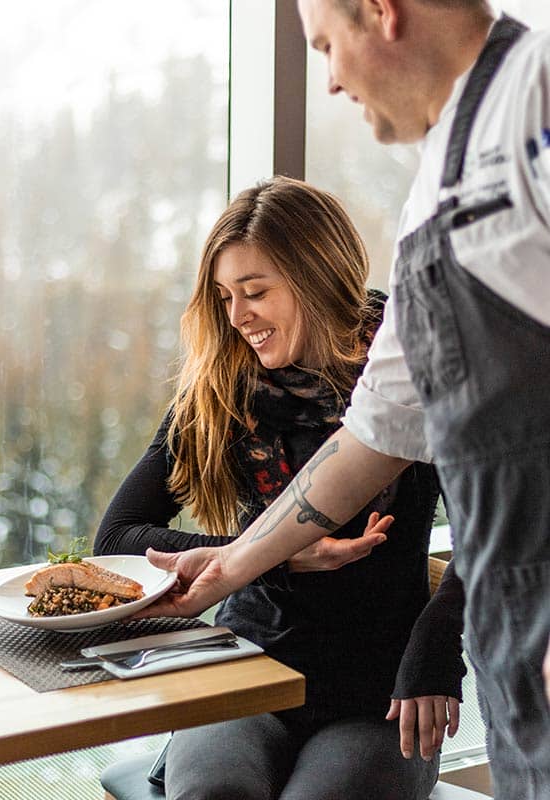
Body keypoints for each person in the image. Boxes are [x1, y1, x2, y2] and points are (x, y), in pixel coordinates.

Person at [139, 3, 550, 799]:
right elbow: (374, 436)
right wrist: (228, 567)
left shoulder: (536, 99)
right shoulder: (437, 187)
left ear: (382, 13)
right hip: (512, 642)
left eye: (327, 44)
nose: (328, 78)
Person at [95, 175, 466, 800]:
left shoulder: (409, 371)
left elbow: (493, 528)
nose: (237, 317)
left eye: (255, 292)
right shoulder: (223, 387)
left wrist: (437, 649)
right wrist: (273, 552)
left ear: (317, 276)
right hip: (245, 667)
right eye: (225, 296)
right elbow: (118, 536)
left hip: (377, 687)